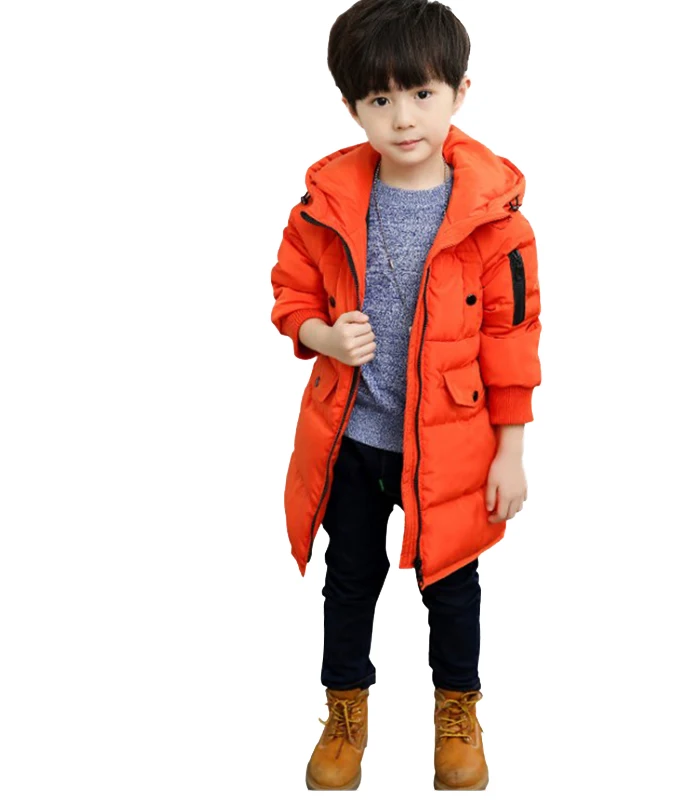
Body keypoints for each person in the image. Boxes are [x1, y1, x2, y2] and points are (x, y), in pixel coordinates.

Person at [270, 0, 542, 790]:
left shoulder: (499, 224)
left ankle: (458, 715)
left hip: (452, 447)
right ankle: (344, 715)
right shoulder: (321, 208)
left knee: (452, 588)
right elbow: (289, 295)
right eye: (380, 98)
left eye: (422, 93)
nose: (402, 117)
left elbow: (513, 339)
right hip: (354, 441)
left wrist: (511, 451)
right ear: (351, 106)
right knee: (348, 583)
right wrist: (321, 336)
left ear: (460, 91)